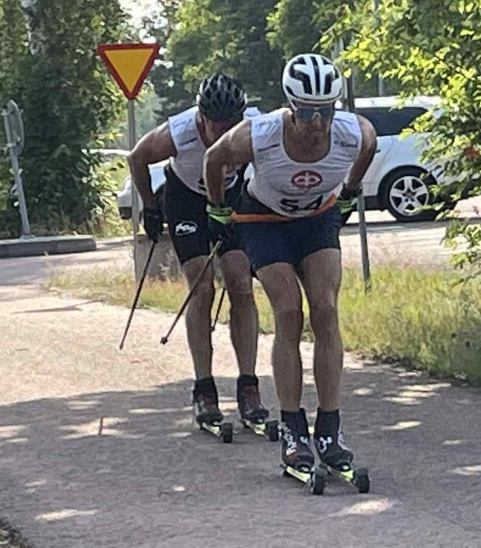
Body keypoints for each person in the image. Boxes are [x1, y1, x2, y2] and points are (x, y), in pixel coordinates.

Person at [202, 53, 377, 472]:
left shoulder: (355, 133)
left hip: (316, 219)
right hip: (263, 221)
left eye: (325, 111)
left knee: (327, 309)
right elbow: (213, 159)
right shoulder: (257, 135)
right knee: (288, 311)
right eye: (305, 112)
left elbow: (369, 148)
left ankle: (330, 427)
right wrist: (218, 211)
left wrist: (350, 192)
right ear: (289, 105)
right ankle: (293, 427)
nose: (316, 123)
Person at [126, 73, 268, 429]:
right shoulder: (179, 132)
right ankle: (204, 387)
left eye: (230, 124)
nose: (222, 132)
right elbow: (136, 157)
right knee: (201, 287)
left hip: (229, 197)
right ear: (200, 116)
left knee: (240, 284)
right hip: (186, 199)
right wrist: (149, 206)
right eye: (215, 124)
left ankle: (248, 386)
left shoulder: (253, 128)